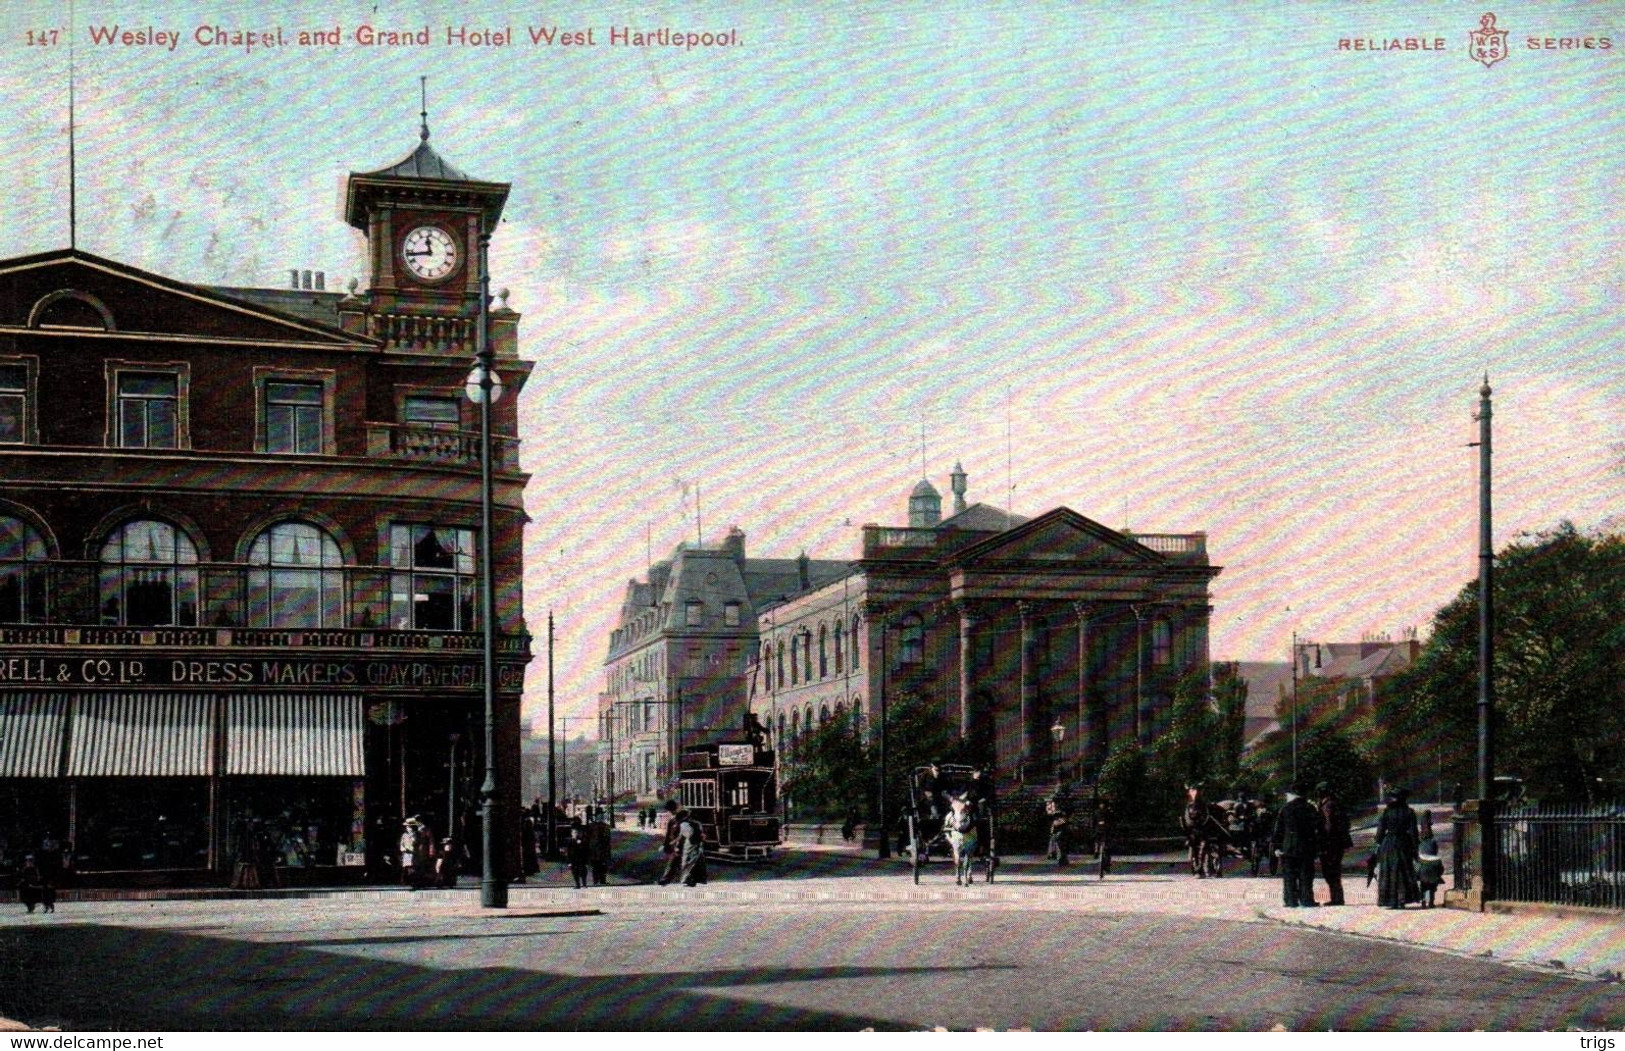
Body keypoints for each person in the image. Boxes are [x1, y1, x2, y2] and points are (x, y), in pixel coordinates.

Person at [1273, 783, 1320, 907]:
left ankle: (1290, 900)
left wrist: (1277, 846)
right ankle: (1306, 899)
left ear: (1292, 794)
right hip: (1306, 846)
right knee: (1306, 875)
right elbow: (1317, 829)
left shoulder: (1285, 808)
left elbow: (1279, 829)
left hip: (1288, 847)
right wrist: (1317, 848)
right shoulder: (1310, 808)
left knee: (1289, 875)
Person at [1374, 788, 1421, 909]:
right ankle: (1402, 898)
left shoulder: (1387, 812)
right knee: (1403, 870)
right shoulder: (1409, 812)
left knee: (1390, 871)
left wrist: (1378, 841)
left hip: (1389, 843)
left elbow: (1380, 832)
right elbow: (1414, 832)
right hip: (1404, 842)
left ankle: (1391, 900)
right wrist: (1415, 847)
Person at [1316, 782, 1353, 906]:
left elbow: (1328, 825)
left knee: (1330, 871)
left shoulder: (1328, 805)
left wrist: (1323, 840)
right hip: (1337, 843)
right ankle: (1337, 897)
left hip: (1330, 843)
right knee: (1334, 870)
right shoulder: (1337, 803)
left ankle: (1337, 898)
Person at [943, 793, 978, 887]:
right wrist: (949, 838)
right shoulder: (950, 816)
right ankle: (958, 875)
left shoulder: (969, 816)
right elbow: (946, 829)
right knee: (957, 859)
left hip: (969, 838)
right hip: (956, 838)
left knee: (968, 856)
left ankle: (968, 874)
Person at [656, 799, 686, 886]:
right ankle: (667, 879)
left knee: (675, 861)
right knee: (676, 861)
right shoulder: (675, 820)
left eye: (669, 810)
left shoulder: (678, 819)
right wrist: (666, 845)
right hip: (679, 844)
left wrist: (667, 845)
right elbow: (669, 835)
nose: (669, 813)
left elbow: (670, 835)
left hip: (681, 844)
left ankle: (666, 879)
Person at [676, 807, 707, 887]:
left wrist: (677, 846)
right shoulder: (697, 824)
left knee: (687, 863)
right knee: (694, 862)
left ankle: (689, 879)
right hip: (696, 845)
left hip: (690, 845)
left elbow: (682, 836)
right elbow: (702, 835)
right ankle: (693, 879)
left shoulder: (684, 824)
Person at [1416, 836, 1444, 908]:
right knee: (1432, 889)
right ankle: (1431, 902)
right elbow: (1441, 869)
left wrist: (1417, 875)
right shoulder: (1437, 860)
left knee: (1423, 888)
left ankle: (1423, 901)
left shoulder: (1421, 859)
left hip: (1423, 876)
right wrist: (1439, 875)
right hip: (1434, 876)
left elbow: (1417, 868)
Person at [587, 809, 611, 886]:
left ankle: (603, 880)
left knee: (603, 866)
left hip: (603, 849)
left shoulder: (606, 826)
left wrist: (607, 850)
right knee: (595, 866)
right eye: (599, 815)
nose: (601, 817)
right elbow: (588, 837)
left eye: (602, 815)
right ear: (596, 816)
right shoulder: (591, 826)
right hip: (594, 850)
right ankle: (596, 881)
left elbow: (608, 839)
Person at [1046, 799, 1069, 867]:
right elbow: (1054, 824)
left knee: (1060, 846)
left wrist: (1057, 823)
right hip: (1058, 832)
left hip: (1061, 831)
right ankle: (1061, 859)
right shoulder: (1054, 814)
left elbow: (1063, 821)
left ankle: (1061, 860)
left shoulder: (1060, 814)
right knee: (1058, 846)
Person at [566, 821, 589, 889]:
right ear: (572, 834)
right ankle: (577, 884)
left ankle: (584, 884)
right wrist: (569, 861)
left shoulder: (582, 840)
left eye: (577, 833)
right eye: (574, 833)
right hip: (573, 860)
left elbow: (585, 850)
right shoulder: (570, 841)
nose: (576, 834)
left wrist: (581, 843)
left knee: (583, 872)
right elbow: (568, 852)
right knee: (575, 872)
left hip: (581, 859)